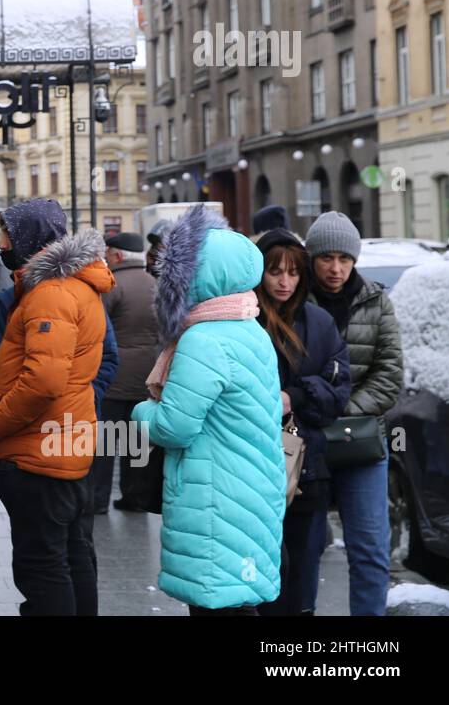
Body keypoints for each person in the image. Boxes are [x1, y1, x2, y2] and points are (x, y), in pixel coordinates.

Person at [131, 205, 285, 615]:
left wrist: (142, 413)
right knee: (235, 598)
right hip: (248, 488)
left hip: (215, 494)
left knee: (218, 604)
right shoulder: (251, 329)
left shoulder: (203, 340)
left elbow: (174, 427)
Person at [0, 198, 112, 616]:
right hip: (63, 444)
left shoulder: (51, 293)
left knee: (43, 566)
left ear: (29, 237)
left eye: (7, 234)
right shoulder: (74, 287)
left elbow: (44, 381)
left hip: (38, 452)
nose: (1, 243)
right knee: (71, 555)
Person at [305, 211, 404, 617]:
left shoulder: (377, 300)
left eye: (345, 259)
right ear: (311, 258)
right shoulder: (295, 300)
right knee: (302, 547)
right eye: (327, 258)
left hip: (361, 440)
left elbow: (390, 372)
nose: (336, 268)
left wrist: (341, 408)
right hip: (305, 441)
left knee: (369, 550)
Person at [254, 229, 351, 616]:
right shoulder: (248, 318)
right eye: (275, 271)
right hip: (254, 461)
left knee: (302, 567)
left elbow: (338, 388)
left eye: (293, 273)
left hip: (306, 463)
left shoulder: (318, 321)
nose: (284, 282)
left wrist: (294, 395)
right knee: (264, 564)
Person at [90, 232, 159, 514]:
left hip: (115, 378)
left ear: (117, 255)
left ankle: (97, 501)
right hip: (147, 375)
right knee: (137, 441)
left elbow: (97, 329)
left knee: (106, 442)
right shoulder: (156, 284)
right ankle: (135, 498)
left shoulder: (111, 286)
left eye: (108, 253)